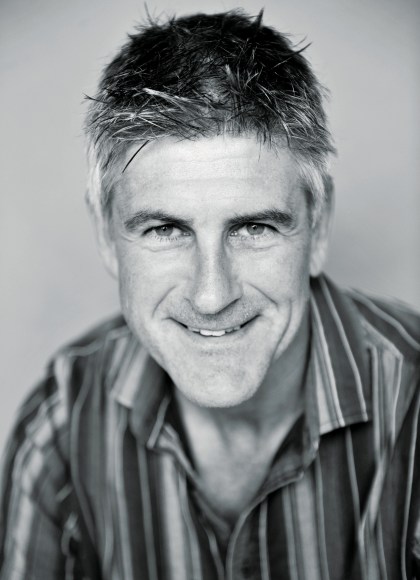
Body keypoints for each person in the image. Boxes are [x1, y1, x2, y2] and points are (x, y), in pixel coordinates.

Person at [1, 9, 419, 580]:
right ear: (106, 236)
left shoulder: (415, 407)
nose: (210, 296)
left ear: (318, 228)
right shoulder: (63, 430)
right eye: (165, 229)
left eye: (253, 227)